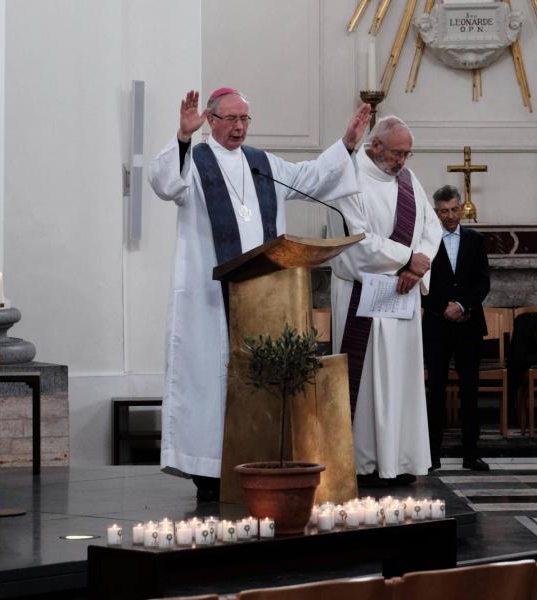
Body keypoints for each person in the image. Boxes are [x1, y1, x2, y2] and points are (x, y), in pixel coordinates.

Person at [149, 88, 372, 500]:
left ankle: (259, 456)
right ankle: (210, 470)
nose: (238, 127)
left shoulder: (261, 163)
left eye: (244, 119)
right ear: (210, 121)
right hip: (211, 298)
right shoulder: (196, 162)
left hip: (264, 295)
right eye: (231, 119)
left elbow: (310, 177)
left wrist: (348, 144)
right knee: (213, 379)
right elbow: (166, 184)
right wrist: (182, 137)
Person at [327, 116, 443, 486]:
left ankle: (403, 460)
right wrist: (406, 259)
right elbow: (354, 243)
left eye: (407, 154)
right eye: (397, 153)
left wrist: (418, 265)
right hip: (363, 296)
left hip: (403, 297)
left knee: (402, 381)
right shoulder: (348, 178)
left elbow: (432, 227)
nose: (402, 162)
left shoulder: (408, 181)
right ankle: (364, 464)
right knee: (368, 382)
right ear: (375, 146)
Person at [422, 185, 491, 472]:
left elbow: (482, 282)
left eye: (454, 209)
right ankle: (431, 455)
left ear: (461, 208)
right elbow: (423, 283)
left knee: (470, 390)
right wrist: (444, 308)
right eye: (444, 211)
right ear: (436, 212)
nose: (450, 216)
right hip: (437, 326)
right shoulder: (426, 240)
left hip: (469, 324)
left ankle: (471, 454)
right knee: (434, 390)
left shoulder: (475, 240)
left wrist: (462, 305)